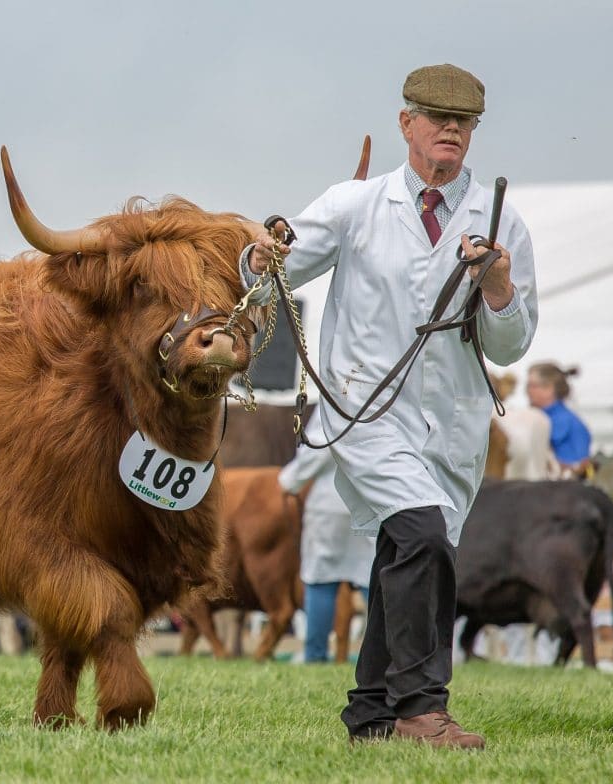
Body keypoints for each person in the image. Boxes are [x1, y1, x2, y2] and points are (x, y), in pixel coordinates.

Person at [243, 63, 537, 748]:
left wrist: (497, 285)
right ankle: (420, 709)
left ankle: (370, 714)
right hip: (366, 413)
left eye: (462, 124)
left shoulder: (502, 220)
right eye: (437, 119)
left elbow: (513, 343)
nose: (450, 132)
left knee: (404, 554)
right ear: (407, 124)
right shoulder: (354, 204)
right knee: (421, 535)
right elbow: (275, 274)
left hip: (456, 422)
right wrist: (258, 265)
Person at [279, 413, 374, 663]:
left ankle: (315, 655)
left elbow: (317, 448)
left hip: (329, 503)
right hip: (372, 500)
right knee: (373, 579)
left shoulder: (337, 391)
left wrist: (289, 481)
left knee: (320, 578)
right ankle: (384, 656)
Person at [525, 362, 593, 479]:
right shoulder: (530, 419)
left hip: (563, 491)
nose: (527, 391)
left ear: (549, 388)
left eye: (532, 386)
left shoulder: (570, 423)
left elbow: (582, 468)